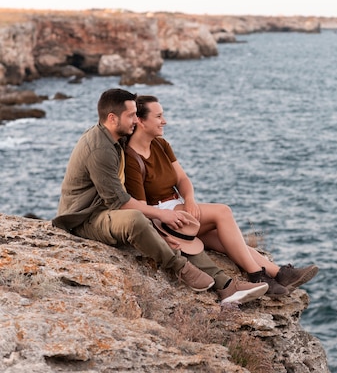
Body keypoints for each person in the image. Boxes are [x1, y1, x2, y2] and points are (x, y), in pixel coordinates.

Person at [52, 88, 268, 305]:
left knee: (167, 228)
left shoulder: (114, 138)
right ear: (112, 118)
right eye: (130, 115)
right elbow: (119, 201)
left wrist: (163, 217)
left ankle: (228, 286)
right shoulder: (100, 148)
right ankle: (181, 268)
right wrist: (161, 215)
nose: (135, 120)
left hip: (103, 209)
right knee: (139, 220)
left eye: (137, 114)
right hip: (84, 218)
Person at [123, 95, 318, 297]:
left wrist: (189, 200)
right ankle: (256, 275)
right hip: (164, 218)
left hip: (180, 208)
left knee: (231, 242)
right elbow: (142, 209)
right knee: (223, 212)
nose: (165, 121)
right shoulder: (131, 158)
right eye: (159, 116)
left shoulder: (160, 145)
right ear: (140, 121)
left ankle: (279, 273)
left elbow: (183, 180)